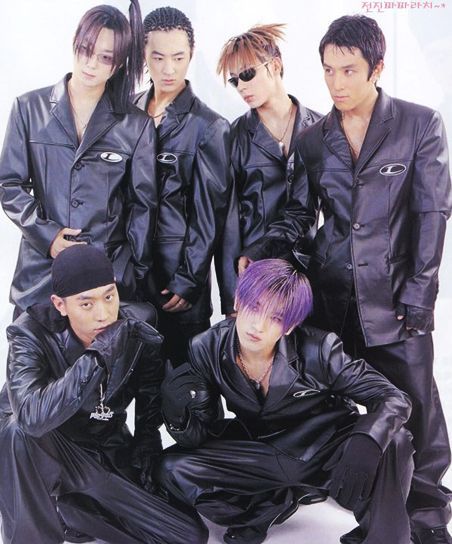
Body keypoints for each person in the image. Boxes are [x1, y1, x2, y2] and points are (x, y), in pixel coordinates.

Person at [240, 15, 452, 544]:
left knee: (418, 410)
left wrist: (420, 294)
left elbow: (432, 214)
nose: (336, 83)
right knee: (338, 410)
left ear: (377, 68)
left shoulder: (419, 124)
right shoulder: (314, 141)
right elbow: (300, 214)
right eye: (328, 70)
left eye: (349, 70)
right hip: (332, 300)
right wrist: (263, 252)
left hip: (397, 302)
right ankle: (369, 511)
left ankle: (428, 519)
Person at [155, 258, 414, 544]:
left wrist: (367, 439)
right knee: (171, 468)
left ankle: (382, 538)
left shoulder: (320, 349)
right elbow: (201, 435)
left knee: (395, 439)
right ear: (238, 301)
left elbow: (392, 396)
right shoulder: (206, 346)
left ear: (289, 327)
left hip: (323, 448)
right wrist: (178, 414)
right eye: (254, 307)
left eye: (276, 318)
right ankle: (263, 509)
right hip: (261, 448)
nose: (258, 325)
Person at [0, 244, 208, 544]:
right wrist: (97, 356)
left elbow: (149, 400)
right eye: (86, 304)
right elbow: (31, 419)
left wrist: (146, 455)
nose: (103, 314)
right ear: (60, 305)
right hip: (43, 448)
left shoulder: (138, 324)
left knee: (188, 535)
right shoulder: (29, 333)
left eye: (109, 297)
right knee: (15, 431)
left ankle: (74, 511)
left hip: (100, 448)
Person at [0, 2, 158, 317]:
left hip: (105, 280)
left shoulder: (136, 125)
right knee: (31, 349)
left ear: (118, 64)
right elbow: (9, 184)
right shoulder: (28, 109)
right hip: (41, 277)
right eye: (86, 50)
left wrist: (131, 273)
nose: (91, 64)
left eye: (105, 57)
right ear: (75, 42)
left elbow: (142, 207)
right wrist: (48, 236)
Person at [134, 6, 236, 366]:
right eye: (158, 57)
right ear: (143, 55)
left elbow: (211, 215)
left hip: (178, 285)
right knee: (136, 382)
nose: (168, 69)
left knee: (186, 386)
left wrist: (189, 279)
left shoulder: (209, 127)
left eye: (178, 58)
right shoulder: (126, 112)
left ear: (191, 55)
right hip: (130, 280)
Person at [217, 24, 322, 252]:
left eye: (247, 74)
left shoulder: (321, 128)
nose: (241, 87)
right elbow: (227, 222)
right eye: (235, 80)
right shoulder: (233, 137)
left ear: (275, 66)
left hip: (310, 265)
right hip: (255, 264)